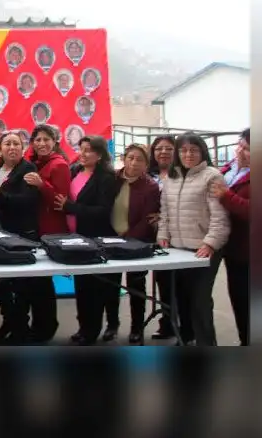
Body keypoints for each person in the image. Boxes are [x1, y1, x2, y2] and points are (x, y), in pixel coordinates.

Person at [156, 132, 230, 346]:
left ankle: (207, 343)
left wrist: (210, 243)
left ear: (202, 152)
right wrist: (163, 235)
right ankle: (185, 338)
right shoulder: (171, 176)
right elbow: (165, 211)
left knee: (199, 301)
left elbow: (220, 216)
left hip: (203, 249)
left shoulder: (212, 176)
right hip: (178, 249)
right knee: (182, 299)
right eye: (184, 150)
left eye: (194, 150)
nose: (188, 154)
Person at [54, 135, 118, 345]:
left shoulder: (106, 178)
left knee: (95, 288)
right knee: (81, 286)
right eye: (81, 149)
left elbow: (102, 211)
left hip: (96, 239)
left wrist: (70, 208)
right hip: (76, 238)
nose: (83, 153)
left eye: (88, 150)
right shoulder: (74, 171)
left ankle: (93, 331)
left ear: (99, 154)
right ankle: (84, 327)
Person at [0, 131, 42, 344]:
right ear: (0, 149)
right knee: (1, 283)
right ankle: (8, 322)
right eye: (7, 143)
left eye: (16, 143)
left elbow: (27, 201)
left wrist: (0, 194)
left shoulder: (28, 169)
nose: (12, 147)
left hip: (21, 235)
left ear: (23, 148)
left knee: (21, 285)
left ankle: (20, 328)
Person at [104, 144, 160, 344]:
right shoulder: (113, 180)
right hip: (110, 240)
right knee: (110, 286)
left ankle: (137, 328)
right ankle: (112, 325)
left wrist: (128, 239)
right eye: (130, 158)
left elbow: (147, 218)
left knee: (136, 286)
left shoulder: (151, 186)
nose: (134, 163)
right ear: (124, 158)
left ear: (146, 163)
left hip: (136, 243)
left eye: (140, 159)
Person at [21, 124, 70, 342]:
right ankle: (38, 323)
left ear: (55, 142)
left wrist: (42, 185)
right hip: (34, 227)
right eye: (38, 139)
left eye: (46, 139)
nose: (41, 144)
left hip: (50, 229)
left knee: (42, 282)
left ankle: (47, 325)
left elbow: (60, 202)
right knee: (34, 281)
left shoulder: (59, 165)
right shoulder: (35, 163)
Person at [211, 128, 250, 345]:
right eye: (240, 146)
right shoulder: (228, 168)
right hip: (231, 247)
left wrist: (227, 197)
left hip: (252, 251)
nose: (241, 152)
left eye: (248, 149)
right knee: (238, 300)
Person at [147, 134, 177, 339]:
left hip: (178, 234)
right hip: (152, 235)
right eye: (159, 148)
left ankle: (184, 327)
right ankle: (166, 324)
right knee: (164, 283)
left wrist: (164, 215)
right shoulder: (148, 175)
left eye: (168, 148)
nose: (163, 152)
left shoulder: (182, 174)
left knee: (180, 284)